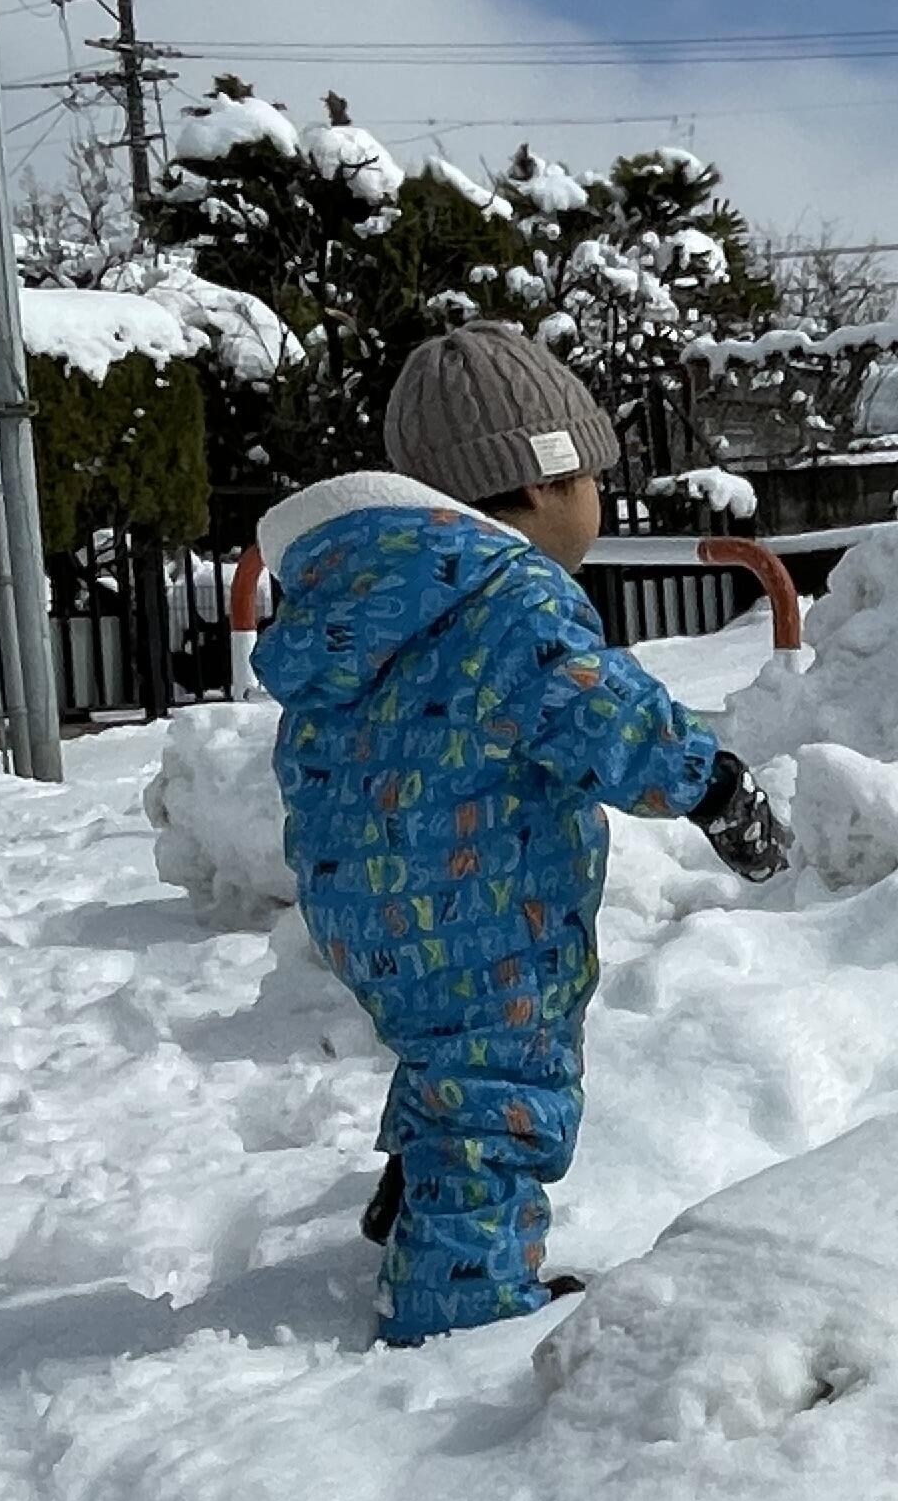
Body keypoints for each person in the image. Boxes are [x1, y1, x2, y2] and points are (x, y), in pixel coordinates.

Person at [257, 325, 789, 1345]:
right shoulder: (512, 597)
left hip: (362, 899)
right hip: (488, 900)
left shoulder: (359, 603)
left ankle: (418, 1198)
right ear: (542, 483)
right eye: (593, 477)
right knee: (504, 1087)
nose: (599, 501)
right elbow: (605, 714)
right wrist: (714, 787)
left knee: (445, 1052)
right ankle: (460, 1303)